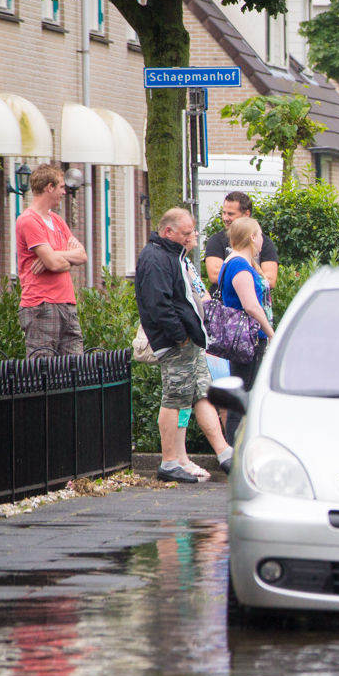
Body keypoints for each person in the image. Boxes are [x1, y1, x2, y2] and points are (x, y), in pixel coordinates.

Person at [135, 208, 232, 482]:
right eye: (187, 233)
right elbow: (158, 304)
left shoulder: (172, 255)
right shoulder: (156, 258)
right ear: (169, 232)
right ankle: (169, 462)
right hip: (176, 342)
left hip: (189, 340)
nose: (192, 237)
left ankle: (223, 452)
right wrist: (180, 335)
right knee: (175, 397)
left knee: (200, 392)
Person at [14, 165, 88, 358]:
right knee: (44, 369)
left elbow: (82, 255)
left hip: (67, 303)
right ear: (49, 187)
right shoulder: (29, 220)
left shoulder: (56, 220)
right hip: (42, 305)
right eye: (61, 187)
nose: (64, 192)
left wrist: (55, 254)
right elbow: (54, 264)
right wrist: (61, 258)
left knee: (76, 368)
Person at [219, 215, 276, 444]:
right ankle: (236, 448)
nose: (262, 239)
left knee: (244, 392)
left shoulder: (237, 262)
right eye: (260, 234)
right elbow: (251, 305)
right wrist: (271, 333)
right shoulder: (239, 265)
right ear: (252, 237)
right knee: (243, 395)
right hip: (248, 338)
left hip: (246, 337)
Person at [204, 190, 278, 291]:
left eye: (230, 214)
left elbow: (270, 280)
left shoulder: (264, 242)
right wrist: (246, 279)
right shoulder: (216, 240)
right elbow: (215, 275)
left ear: (246, 214)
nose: (225, 218)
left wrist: (241, 279)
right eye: (224, 213)